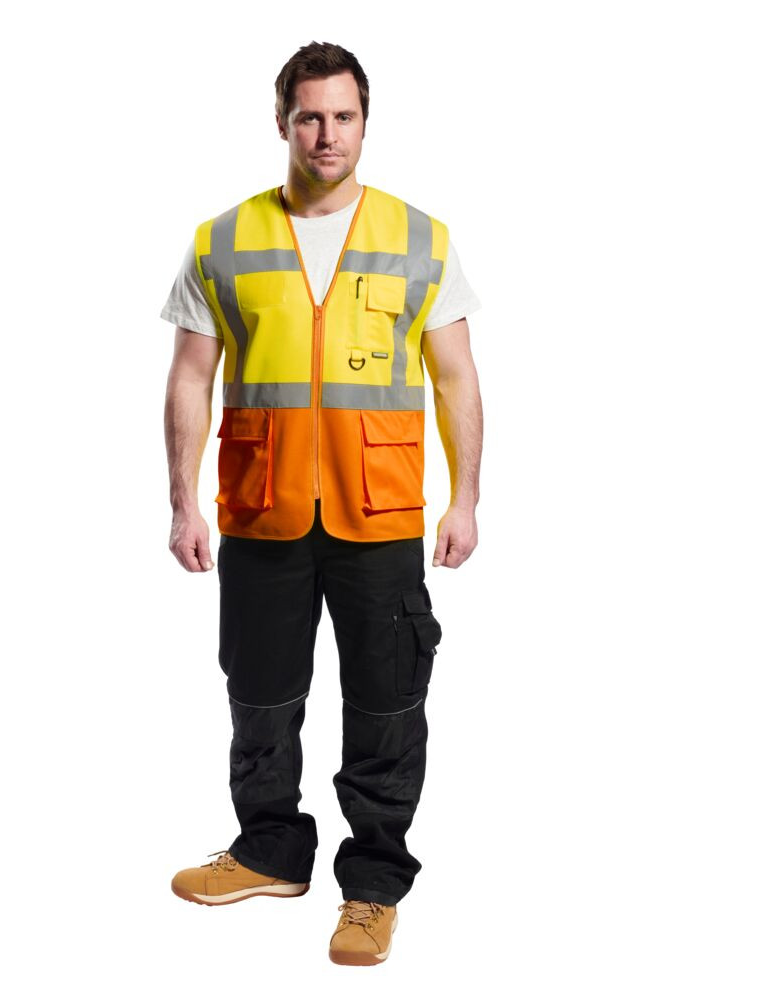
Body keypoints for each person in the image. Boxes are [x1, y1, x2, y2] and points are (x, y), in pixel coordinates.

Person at [160, 40, 483, 966]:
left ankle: (373, 886)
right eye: (310, 116)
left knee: (386, 704)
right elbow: (190, 380)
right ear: (282, 122)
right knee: (259, 697)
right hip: (260, 508)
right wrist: (183, 503)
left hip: (378, 512)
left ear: (365, 123)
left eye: (344, 116)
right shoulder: (222, 240)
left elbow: (457, 378)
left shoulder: (421, 238)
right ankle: (269, 853)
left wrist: (465, 500)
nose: (327, 134)